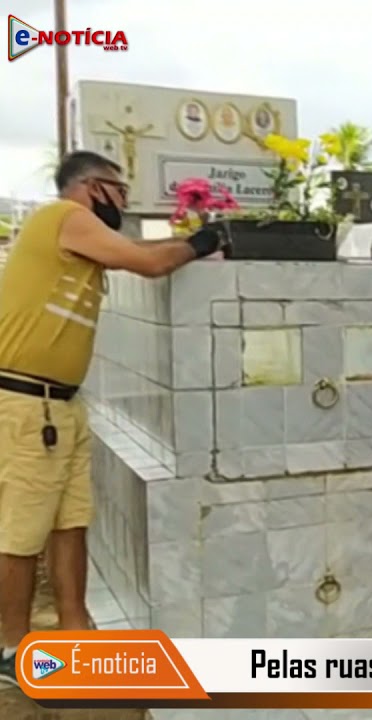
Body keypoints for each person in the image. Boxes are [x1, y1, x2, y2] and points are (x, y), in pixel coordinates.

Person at [0, 151, 226, 685]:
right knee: (20, 533)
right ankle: (10, 648)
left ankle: (77, 633)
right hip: (27, 404)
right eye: (120, 192)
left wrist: (191, 245)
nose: (124, 203)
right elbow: (148, 264)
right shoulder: (63, 216)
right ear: (92, 187)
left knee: (70, 523)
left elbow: (138, 250)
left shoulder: (82, 240)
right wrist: (203, 242)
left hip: (61, 405)